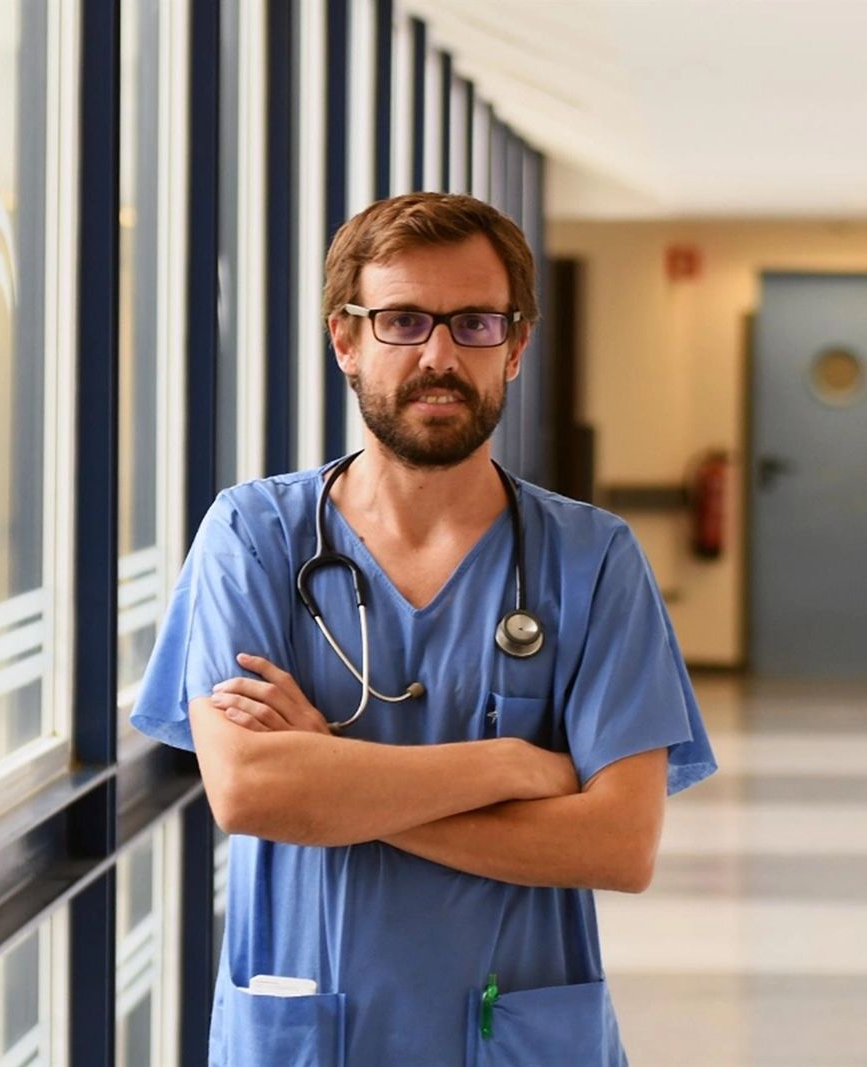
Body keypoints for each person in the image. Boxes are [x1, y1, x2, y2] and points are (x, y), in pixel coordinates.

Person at [130, 191, 716, 1066]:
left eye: (474, 322)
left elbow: (619, 844)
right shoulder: (253, 535)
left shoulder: (592, 559)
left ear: (514, 347)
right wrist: (510, 767)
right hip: (313, 1029)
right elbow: (252, 792)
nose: (439, 354)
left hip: (515, 1035)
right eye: (403, 320)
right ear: (346, 340)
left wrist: (333, 777)